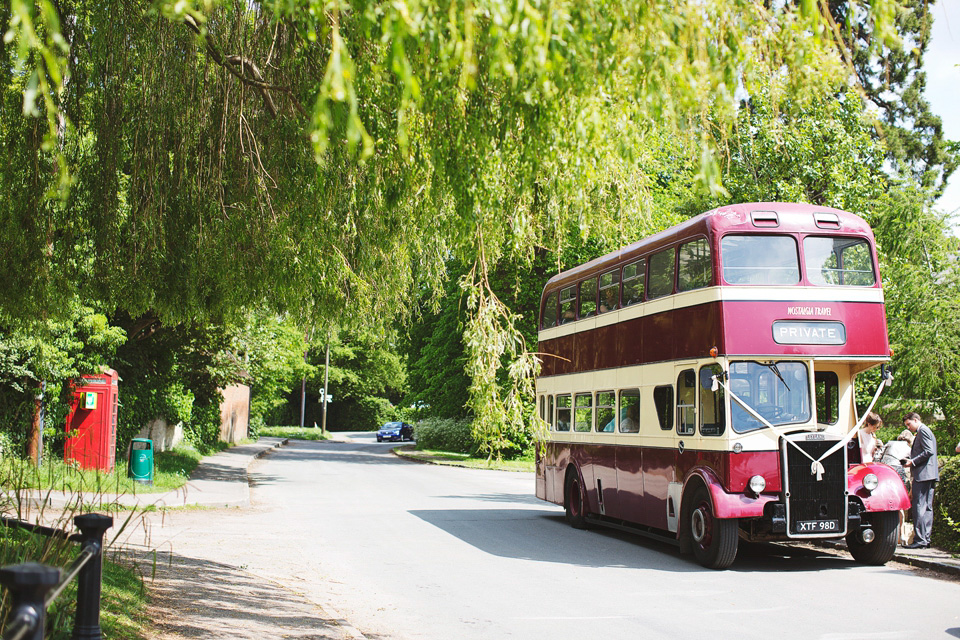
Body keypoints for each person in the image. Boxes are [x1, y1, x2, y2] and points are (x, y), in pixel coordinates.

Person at [902, 412, 939, 549]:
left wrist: (912, 462)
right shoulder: (926, 431)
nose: (908, 428)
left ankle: (920, 540)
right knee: (927, 508)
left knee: (919, 507)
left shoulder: (923, 431)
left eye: (909, 424)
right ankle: (925, 539)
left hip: (923, 475)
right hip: (929, 474)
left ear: (916, 420)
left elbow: (928, 451)